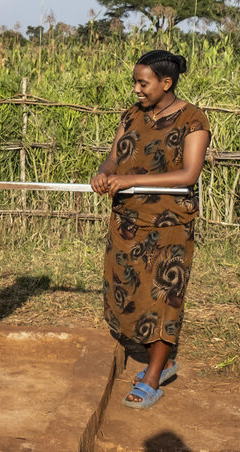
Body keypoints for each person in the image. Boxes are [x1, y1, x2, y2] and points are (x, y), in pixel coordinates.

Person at [91, 49, 211, 409]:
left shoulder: (193, 120)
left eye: (143, 83)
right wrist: (105, 172)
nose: (136, 90)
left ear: (166, 82)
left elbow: (189, 174)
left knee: (162, 298)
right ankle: (164, 361)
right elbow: (115, 154)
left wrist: (130, 179)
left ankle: (153, 377)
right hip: (127, 221)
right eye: (135, 82)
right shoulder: (131, 115)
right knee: (128, 291)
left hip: (168, 225)